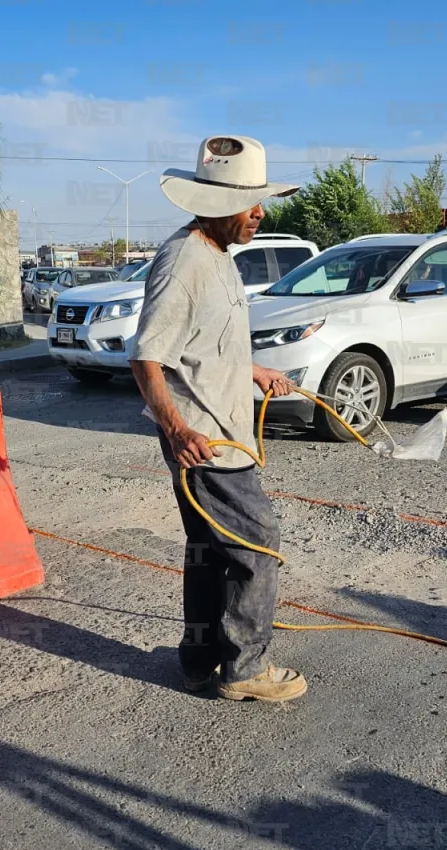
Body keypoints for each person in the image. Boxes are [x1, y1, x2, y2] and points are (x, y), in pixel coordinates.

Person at [129, 135, 308, 702]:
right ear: (211, 203)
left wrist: (253, 371)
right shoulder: (184, 263)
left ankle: (200, 659)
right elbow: (146, 357)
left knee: (209, 552)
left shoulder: (219, 254)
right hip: (204, 441)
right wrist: (177, 430)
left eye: (260, 200)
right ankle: (246, 669)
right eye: (248, 202)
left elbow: (205, 344)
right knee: (258, 543)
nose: (260, 212)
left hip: (217, 432)